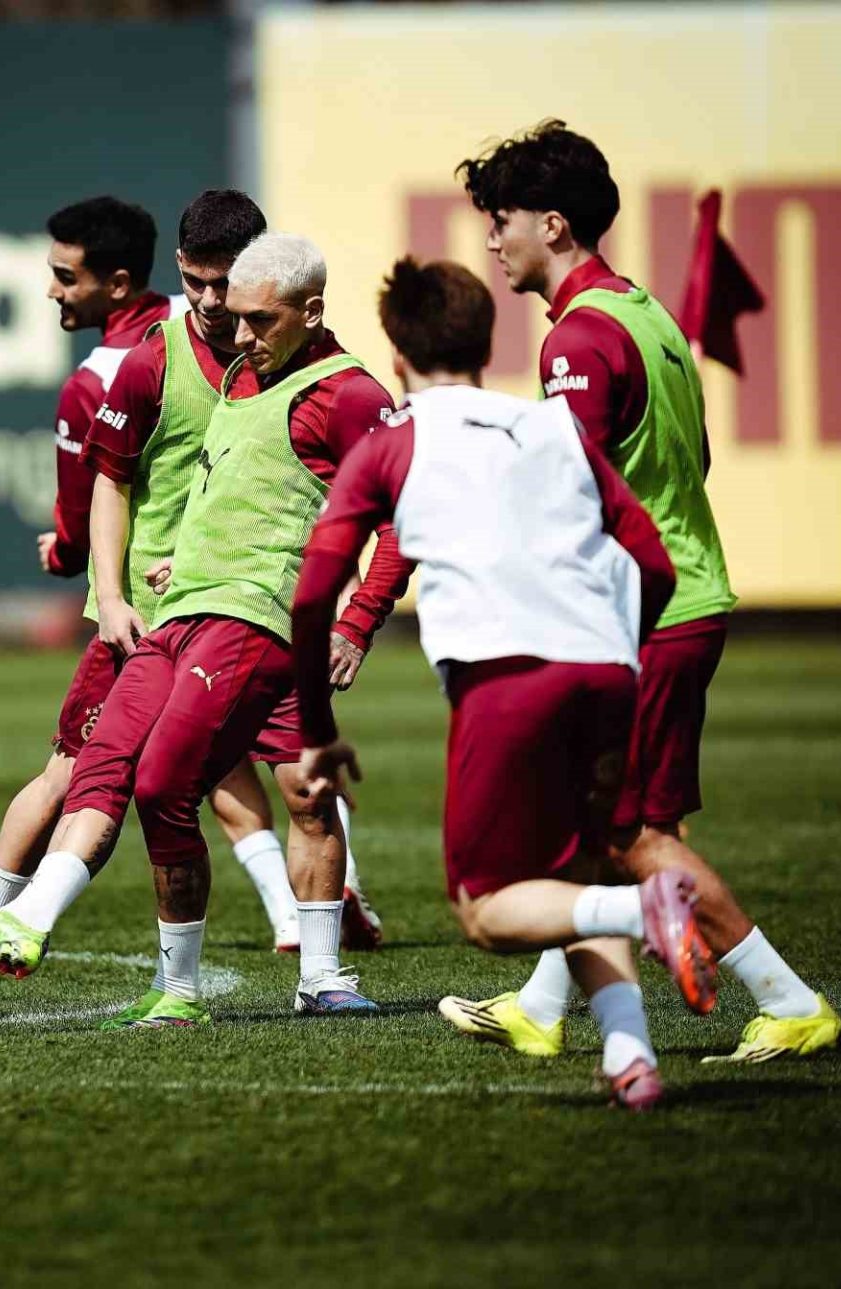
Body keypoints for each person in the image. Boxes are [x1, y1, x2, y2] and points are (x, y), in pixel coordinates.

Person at [0, 233, 410, 1025]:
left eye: (257, 318)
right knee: (104, 765)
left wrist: (358, 620)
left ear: (311, 311)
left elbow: (403, 519)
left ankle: (305, 973)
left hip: (255, 621)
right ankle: (88, 952)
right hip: (180, 612)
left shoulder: (349, 394)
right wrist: (182, 559)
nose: (237, 332)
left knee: (189, 784)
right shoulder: (240, 373)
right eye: (229, 309)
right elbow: (237, 489)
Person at [439, 120, 840, 1064]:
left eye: (501, 219)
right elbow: (693, 457)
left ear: (553, 224)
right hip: (684, 596)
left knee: (633, 840)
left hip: (649, 615)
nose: (491, 240)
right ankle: (543, 1005)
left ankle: (788, 999)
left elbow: (571, 491)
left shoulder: (578, 338)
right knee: (601, 823)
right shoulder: (645, 312)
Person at [293, 256, 710, 1109]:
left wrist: (315, 731)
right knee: (579, 878)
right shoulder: (556, 428)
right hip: (607, 673)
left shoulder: (392, 443)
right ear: (488, 346)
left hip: (506, 679)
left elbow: (311, 595)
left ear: (398, 356)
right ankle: (631, 1057)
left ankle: (647, 911)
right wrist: (619, 655)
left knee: (486, 911)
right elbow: (655, 563)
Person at [0, 196, 176, 1018]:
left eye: (65, 277)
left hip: (146, 609)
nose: (51, 292)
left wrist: (67, 552)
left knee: (75, 775)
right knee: (256, 768)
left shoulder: (98, 380)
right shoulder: (203, 330)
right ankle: (316, 945)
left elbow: (80, 518)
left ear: (118, 282)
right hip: (209, 602)